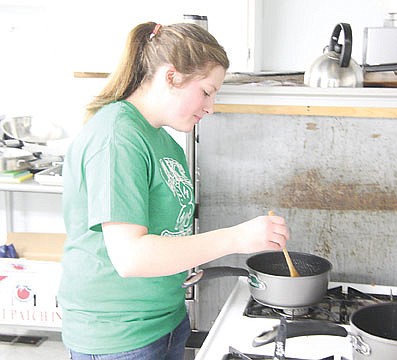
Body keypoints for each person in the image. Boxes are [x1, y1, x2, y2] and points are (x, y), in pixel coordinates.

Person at [58, 21, 290, 360]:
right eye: (207, 91)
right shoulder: (117, 137)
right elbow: (131, 257)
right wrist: (236, 238)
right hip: (119, 334)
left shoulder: (166, 143)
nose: (211, 107)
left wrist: (184, 257)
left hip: (165, 321)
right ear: (171, 76)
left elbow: (161, 232)